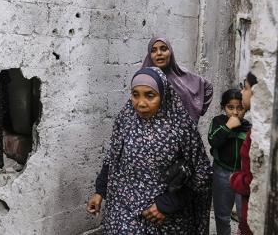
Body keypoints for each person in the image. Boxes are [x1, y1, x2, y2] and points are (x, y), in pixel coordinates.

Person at [87, 67, 212, 234]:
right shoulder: (126, 119)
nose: (141, 103)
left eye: (150, 95)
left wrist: (168, 204)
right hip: (123, 212)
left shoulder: (181, 126)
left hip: (165, 218)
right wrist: (100, 191)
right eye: (135, 94)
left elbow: (202, 172)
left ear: (164, 95)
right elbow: (113, 157)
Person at [208, 89, 251, 235]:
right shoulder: (218, 122)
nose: (235, 112)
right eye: (230, 107)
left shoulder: (249, 128)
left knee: (244, 215)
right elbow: (213, 141)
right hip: (221, 172)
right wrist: (227, 127)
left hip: (242, 176)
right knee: (222, 215)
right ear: (223, 107)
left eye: (240, 108)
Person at [142, 37, 213, 122]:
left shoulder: (181, 74)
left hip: (182, 131)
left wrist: (199, 109)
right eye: (153, 50)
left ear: (170, 53)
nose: (159, 53)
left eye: (163, 49)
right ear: (149, 56)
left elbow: (207, 87)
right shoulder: (143, 79)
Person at [230, 73, 258, 235]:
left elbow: (251, 181)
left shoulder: (257, 134)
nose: (242, 93)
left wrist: (234, 179)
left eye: (245, 88)